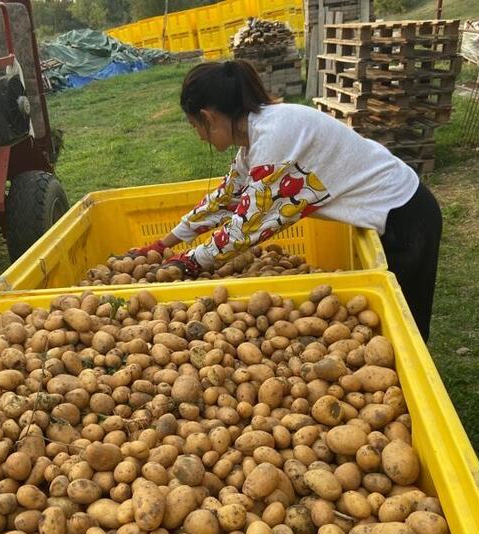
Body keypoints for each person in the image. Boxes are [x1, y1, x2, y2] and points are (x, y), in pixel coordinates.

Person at [124, 60, 442, 342]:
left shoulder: (275, 139)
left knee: (406, 326)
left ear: (209, 117)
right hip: (391, 211)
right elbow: (224, 199)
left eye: (196, 127)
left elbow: (246, 228)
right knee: (393, 323)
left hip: (406, 215)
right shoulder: (256, 136)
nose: (199, 136)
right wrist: (162, 245)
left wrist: (186, 263)